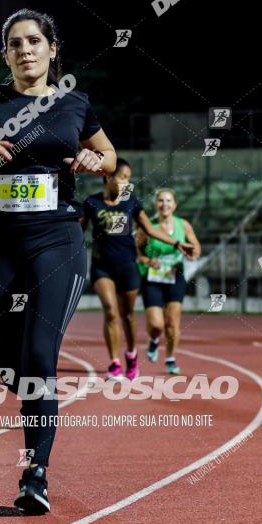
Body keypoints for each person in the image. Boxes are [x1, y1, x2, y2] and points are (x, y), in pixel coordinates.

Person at [0, 8, 117, 515]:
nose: (25, 50)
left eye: (34, 41)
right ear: (6, 55)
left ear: (53, 49)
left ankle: (34, 472)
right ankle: (21, 392)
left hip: (58, 241)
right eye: (15, 44)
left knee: (39, 359)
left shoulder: (75, 102)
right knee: (11, 368)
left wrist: (92, 161)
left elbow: (110, 158)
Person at [81, 160, 194, 380]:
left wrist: (176, 243)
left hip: (127, 267)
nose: (127, 182)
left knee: (128, 315)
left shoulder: (131, 203)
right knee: (111, 312)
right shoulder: (92, 203)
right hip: (102, 267)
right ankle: (114, 362)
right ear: (108, 177)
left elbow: (150, 229)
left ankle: (131, 354)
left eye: (129, 178)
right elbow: (78, 230)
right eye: (123, 177)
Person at [136, 189, 201, 374]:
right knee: (157, 325)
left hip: (175, 276)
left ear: (175, 204)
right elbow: (137, 252)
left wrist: (193, 253)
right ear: (155, 204)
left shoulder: (183, 225)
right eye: (161, 200)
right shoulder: (148, 227)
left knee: (173, 322)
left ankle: (171, 359)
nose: (165, 204)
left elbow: (196, 245)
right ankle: (154, 340)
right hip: (152, 278)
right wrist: (148, 260)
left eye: (169, 201)